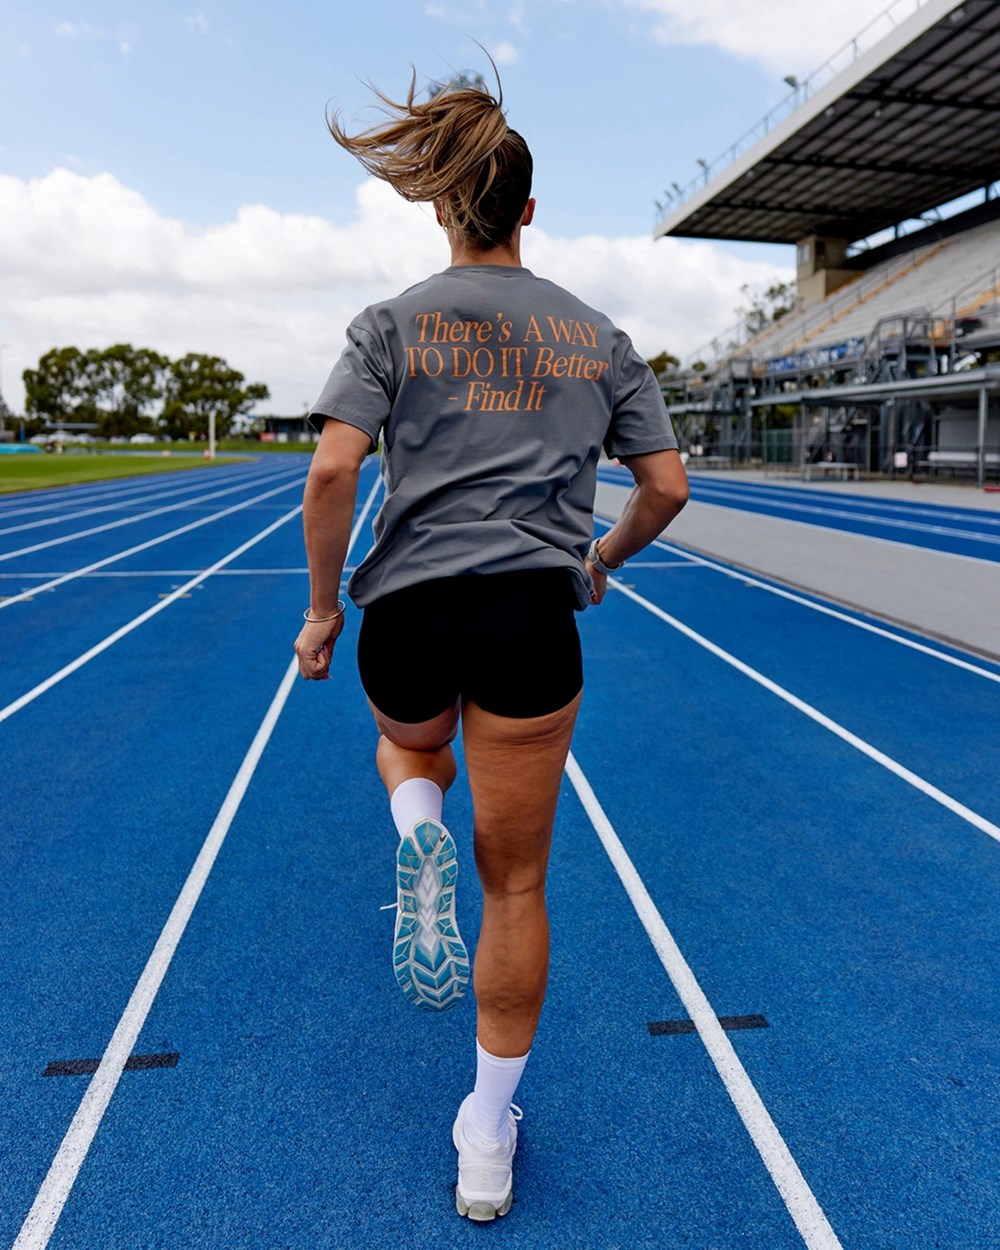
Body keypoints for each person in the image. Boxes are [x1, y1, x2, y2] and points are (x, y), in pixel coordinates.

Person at [293, 70, 688, 1222]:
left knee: (409, 753)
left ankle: (415, 823)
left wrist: (322, 612)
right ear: (526, 210)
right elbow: (666, 486)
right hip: (529, 617)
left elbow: (330, 470)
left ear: (442, 209)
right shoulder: (594, 333)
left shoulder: (390, 321)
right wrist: (600, 558)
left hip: (409, 612)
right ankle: (482, 1134)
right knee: (514, 882)